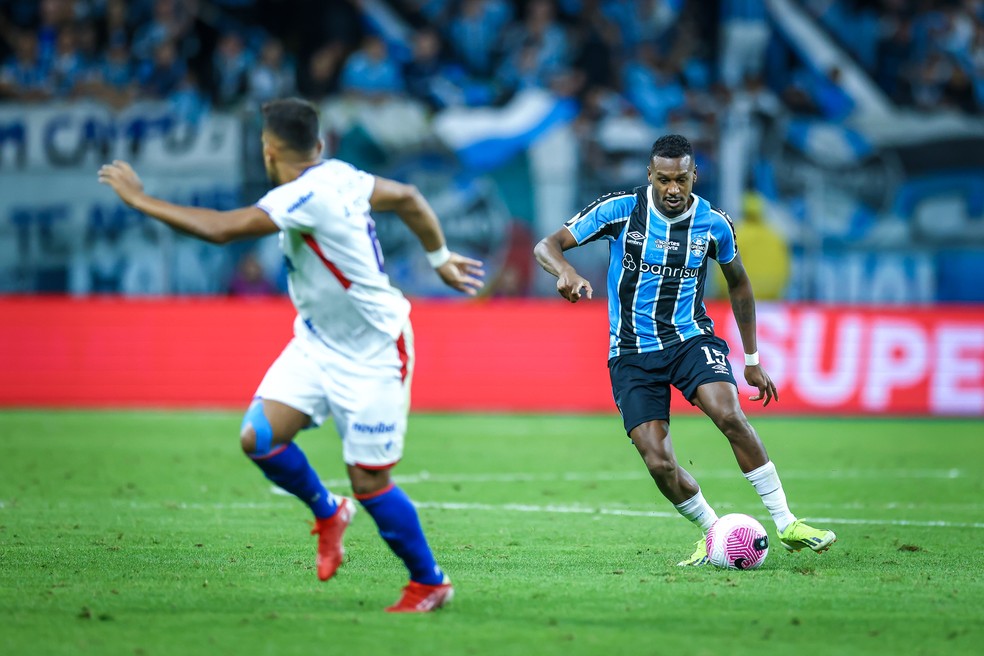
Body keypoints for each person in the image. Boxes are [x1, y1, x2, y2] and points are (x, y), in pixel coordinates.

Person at [98, 97, 484, 611]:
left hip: (373, 352)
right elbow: (410, 196)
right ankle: (328, 512)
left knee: (369, 479)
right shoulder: (343, 176)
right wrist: (438, 258)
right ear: (318, 145)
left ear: (268, 151)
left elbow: (220, 230)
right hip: (317, 340)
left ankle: (430, 582)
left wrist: (140, 198)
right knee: (258, 436)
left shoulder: (302, 196)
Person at [533, 134, 835, 566]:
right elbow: (546, 245)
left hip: (690, 338)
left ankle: (787, 522)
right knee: (658, 462)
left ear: (694, 175)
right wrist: (564, 271)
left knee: (728, 413)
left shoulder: (713, 223)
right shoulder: (620, 209)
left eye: (681, 180)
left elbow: (740, 284)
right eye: (663, 180)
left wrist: (751, 361)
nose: (673, 190)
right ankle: (713, 531)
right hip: (632, 353)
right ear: (650, 176)